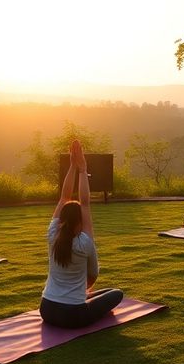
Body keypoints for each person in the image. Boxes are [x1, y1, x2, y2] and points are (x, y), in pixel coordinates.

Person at [40, 139, 123, 328]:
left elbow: (64, 198)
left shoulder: (53, 234)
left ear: (61, 219)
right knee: (116, 293)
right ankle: (81, 298)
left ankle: (79, 296)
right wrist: (83, 170)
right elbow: (85, 203)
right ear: (80, 222)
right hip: (73, 315)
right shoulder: (83, 243)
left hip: (46, 309)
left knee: (106, 292)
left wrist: (72, 166)